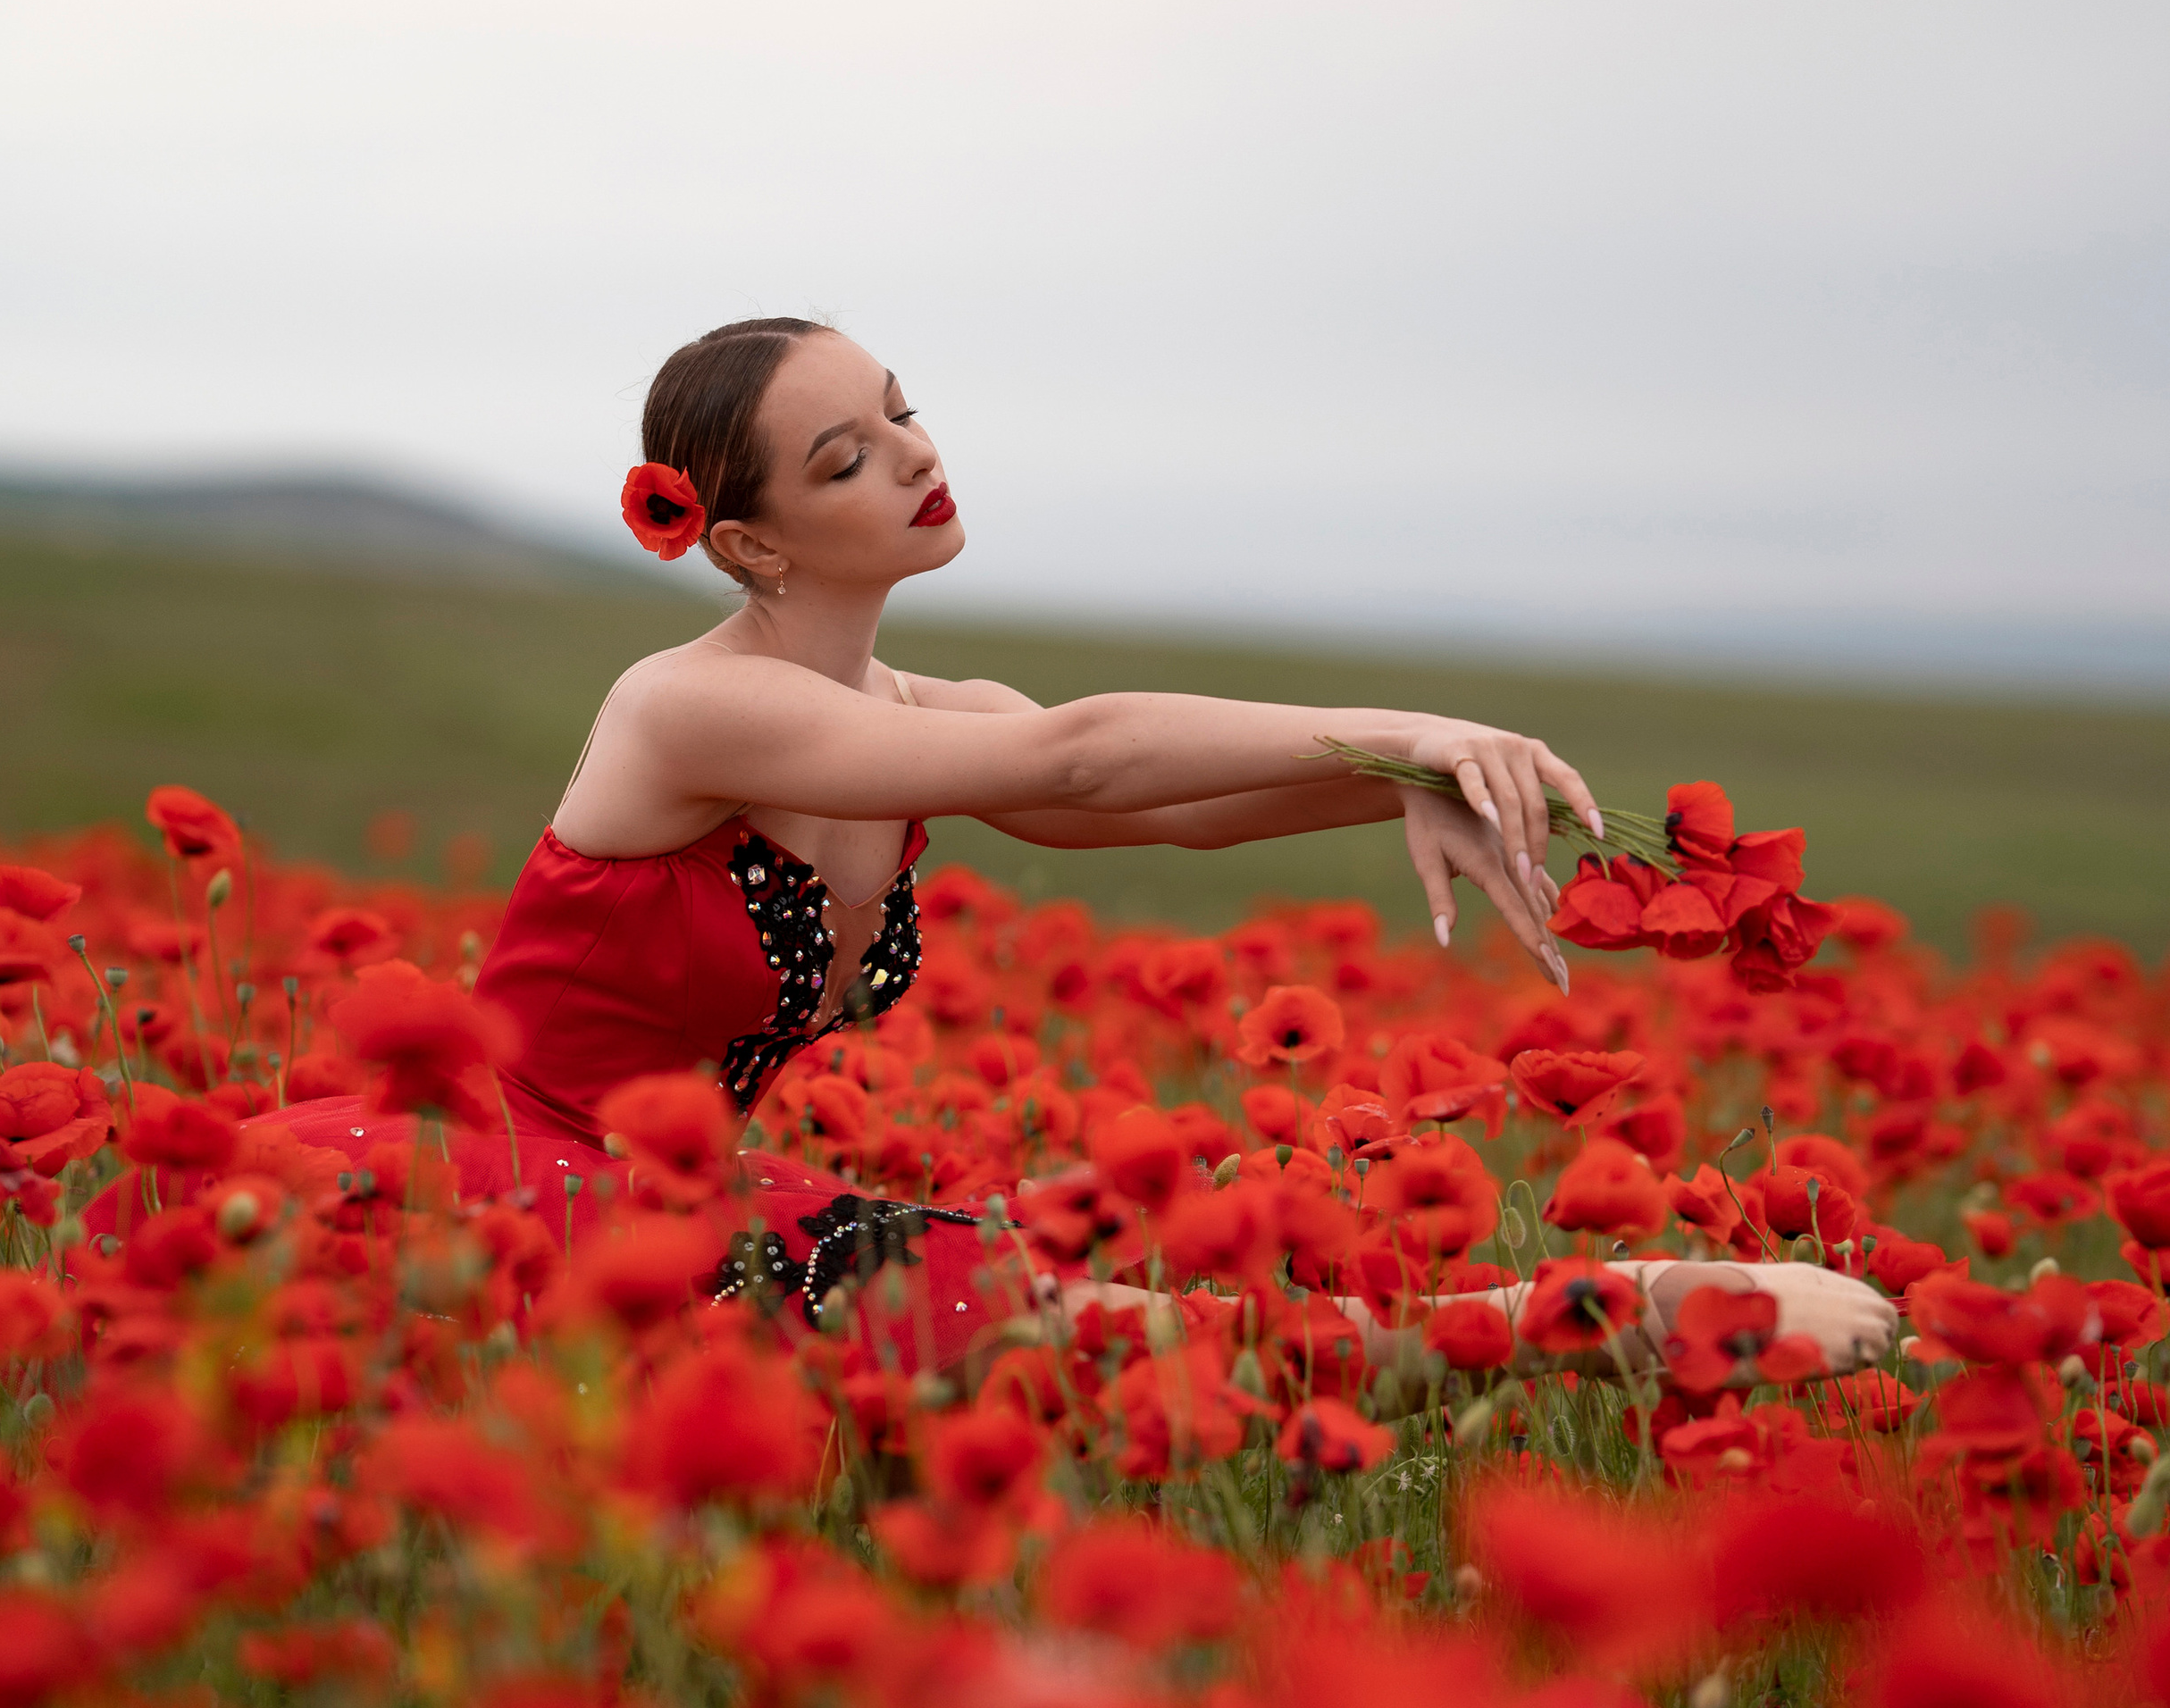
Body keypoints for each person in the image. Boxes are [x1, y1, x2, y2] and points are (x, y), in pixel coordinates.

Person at [293, 314, 1894, 1376]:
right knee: (1048, 1320)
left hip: (666, 1188)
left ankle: (1569, 1320)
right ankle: (1604, 1319)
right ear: (747, 539)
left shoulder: (924, 710)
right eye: (847, 457)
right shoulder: (689, 712)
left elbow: (1167, 806)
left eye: (904, 414)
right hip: (480, 1182)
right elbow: (1080, 754)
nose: (917, 456)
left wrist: (1404, 785)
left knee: (1041, 1293)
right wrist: (1409, 728)